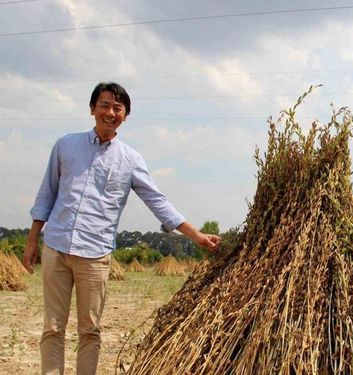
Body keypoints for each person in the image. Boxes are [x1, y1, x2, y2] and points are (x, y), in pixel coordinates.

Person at [22, 82, 221, 375]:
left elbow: (157, 201)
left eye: (118, 108)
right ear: (92, 109)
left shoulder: (130, 160)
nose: (110, 112)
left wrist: (196, 235)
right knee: (53, 327)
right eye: (104, 105)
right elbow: (46, 195)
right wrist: (32, 240)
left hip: (95, 255)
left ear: (125, 115)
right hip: (57, 246)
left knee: (89, 330)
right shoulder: (65, 145)